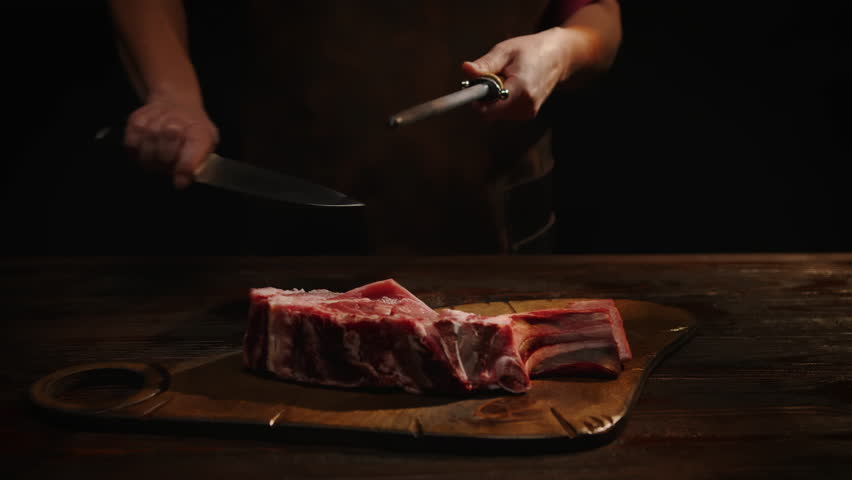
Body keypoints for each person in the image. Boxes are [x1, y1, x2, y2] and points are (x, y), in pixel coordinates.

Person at [107, 0, 622, 254]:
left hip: (497, 222)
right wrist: (172, 94)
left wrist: (561, 49)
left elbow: (599, 16)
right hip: (299, 214)